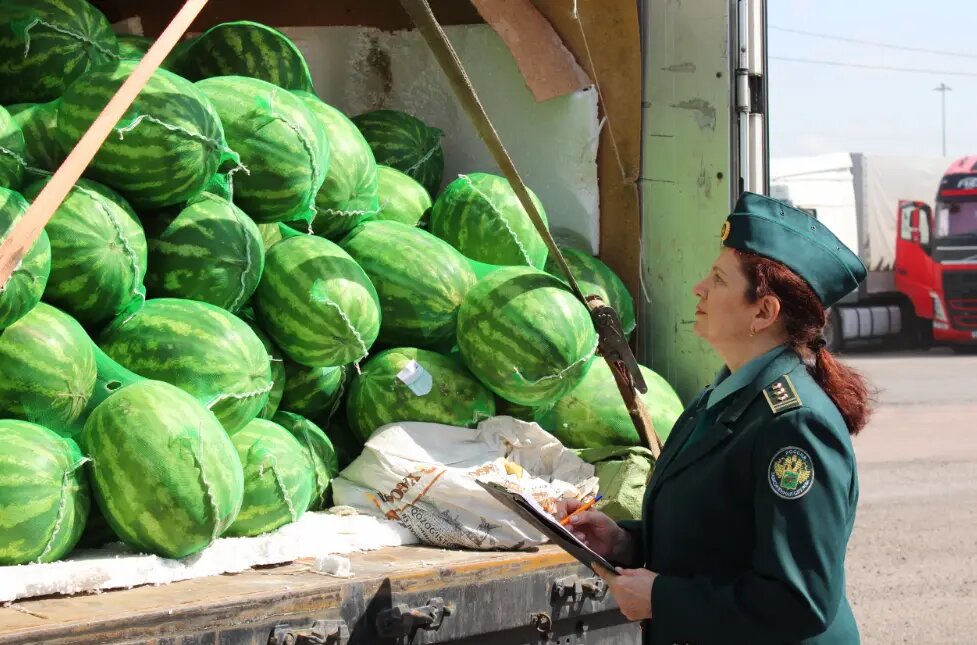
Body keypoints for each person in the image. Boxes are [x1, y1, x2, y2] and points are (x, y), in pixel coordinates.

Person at [557, 192, 872, 644]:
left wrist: (662, 598)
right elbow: (720, 538)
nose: (699, 287)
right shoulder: (725, 396)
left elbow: (801, 600)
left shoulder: (795, 425)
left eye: (719, 279)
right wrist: (624, 542)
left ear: (763, 312)